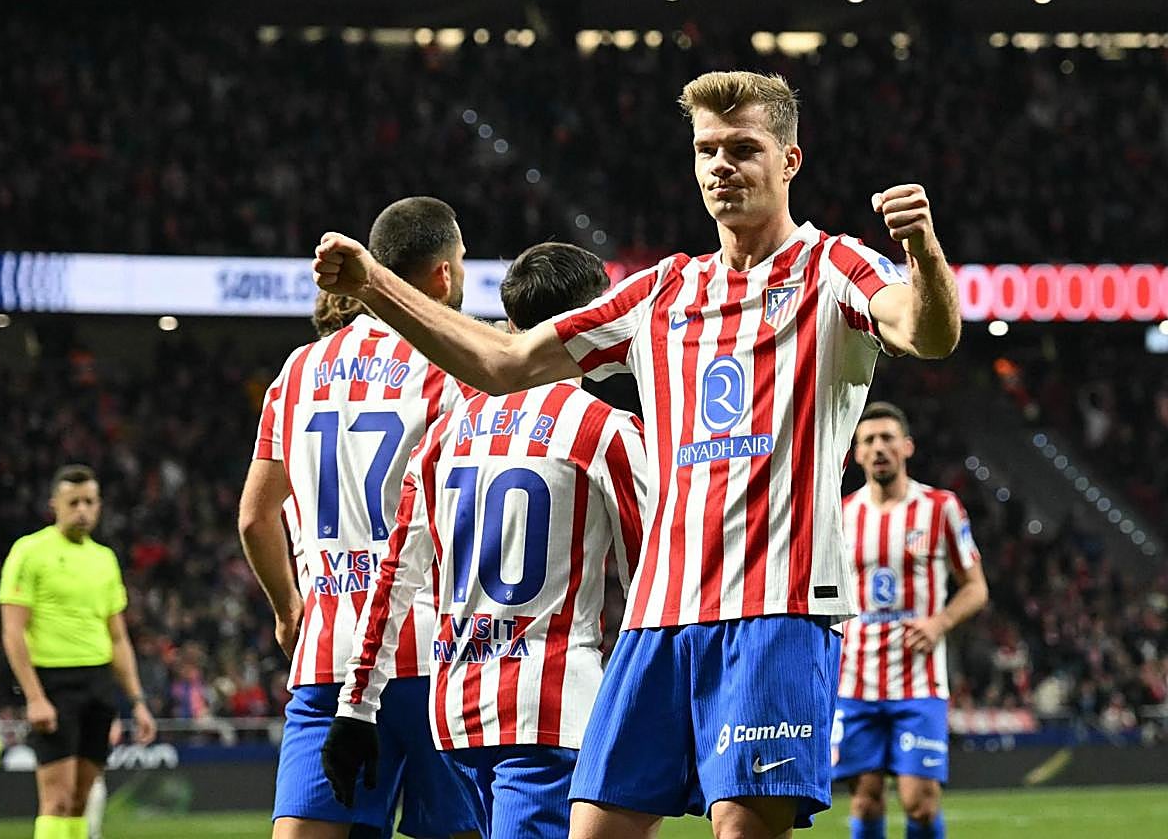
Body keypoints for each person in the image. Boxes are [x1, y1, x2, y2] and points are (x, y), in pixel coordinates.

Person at [311, 70, 961, 839]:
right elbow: (506, 364)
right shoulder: (664, 291)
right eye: (707, 150)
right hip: (659, 618)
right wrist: (376, 286)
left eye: (743, 148)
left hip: (777, 612)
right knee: (592, 830)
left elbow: (927, 333)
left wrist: (921, 250)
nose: (722, 165)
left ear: (789, 161)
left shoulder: (833, 269)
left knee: (743, 828)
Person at [321, 243, 648, 839]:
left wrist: (356, 706)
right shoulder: (603, 429)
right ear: (591, 317)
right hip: (549, 709)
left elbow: (394, 576)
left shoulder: (444, 434)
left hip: (453, 713)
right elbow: (652, 578)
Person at [239, 196, 478, 839]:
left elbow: (255, 517)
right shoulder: (452, 368)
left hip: (329, 654)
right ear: (443, 277)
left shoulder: (298, 371)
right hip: (436, 654)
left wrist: (290, 610)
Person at [835, 403, 989, 839]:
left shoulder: (941, 508)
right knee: (865, 800)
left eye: (887, 438)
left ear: (907, 447)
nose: (879, 447)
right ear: (856, 454)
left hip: (919, 683)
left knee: (919, 805)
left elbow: (976, 586)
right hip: (854, 682)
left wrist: (939, 623)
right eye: (868, 440)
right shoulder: (841, 514)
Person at [0, 464, 157, 839]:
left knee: (82, 799)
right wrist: (35, 698)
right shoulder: (29, 551)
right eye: (74, 502)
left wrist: (136, 701)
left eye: (89, 501)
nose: (82, 509)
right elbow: (12, 631)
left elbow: (118, 638)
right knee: (56, 798)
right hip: (54, 682)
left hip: (98, 684)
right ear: (55, 504)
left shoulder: (104, 559)